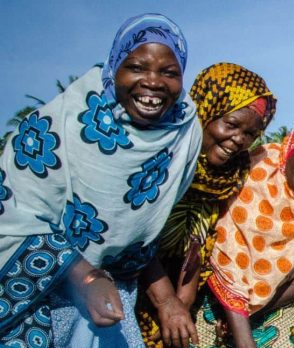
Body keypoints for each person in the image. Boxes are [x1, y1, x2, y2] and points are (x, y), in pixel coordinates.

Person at [0, 13, 201, 347]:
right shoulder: (57, 125)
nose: (152, 82)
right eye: (136, 67)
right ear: (113, 68)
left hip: (111, 302)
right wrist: (85, 276)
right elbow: (12, 215)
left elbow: (139, 237)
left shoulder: (182, 136)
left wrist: (166, 301)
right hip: (34, 301)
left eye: (169, 72)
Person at [136, 62, 277, 348]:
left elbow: (198, 242)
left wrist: (182, 304)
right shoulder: (160, 158)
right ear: (205, 111)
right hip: (125, 281)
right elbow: (135, 236)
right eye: (231, 124)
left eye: (250, 134)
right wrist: (167, 302)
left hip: (177, 290)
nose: (239, 140)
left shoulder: (229, 173)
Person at [196, 114, 294, 348]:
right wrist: (239, 319)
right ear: (290, 149)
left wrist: (253, 311)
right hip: (213, 299)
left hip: (276, 302)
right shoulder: (256, 170)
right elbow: (224, 252)